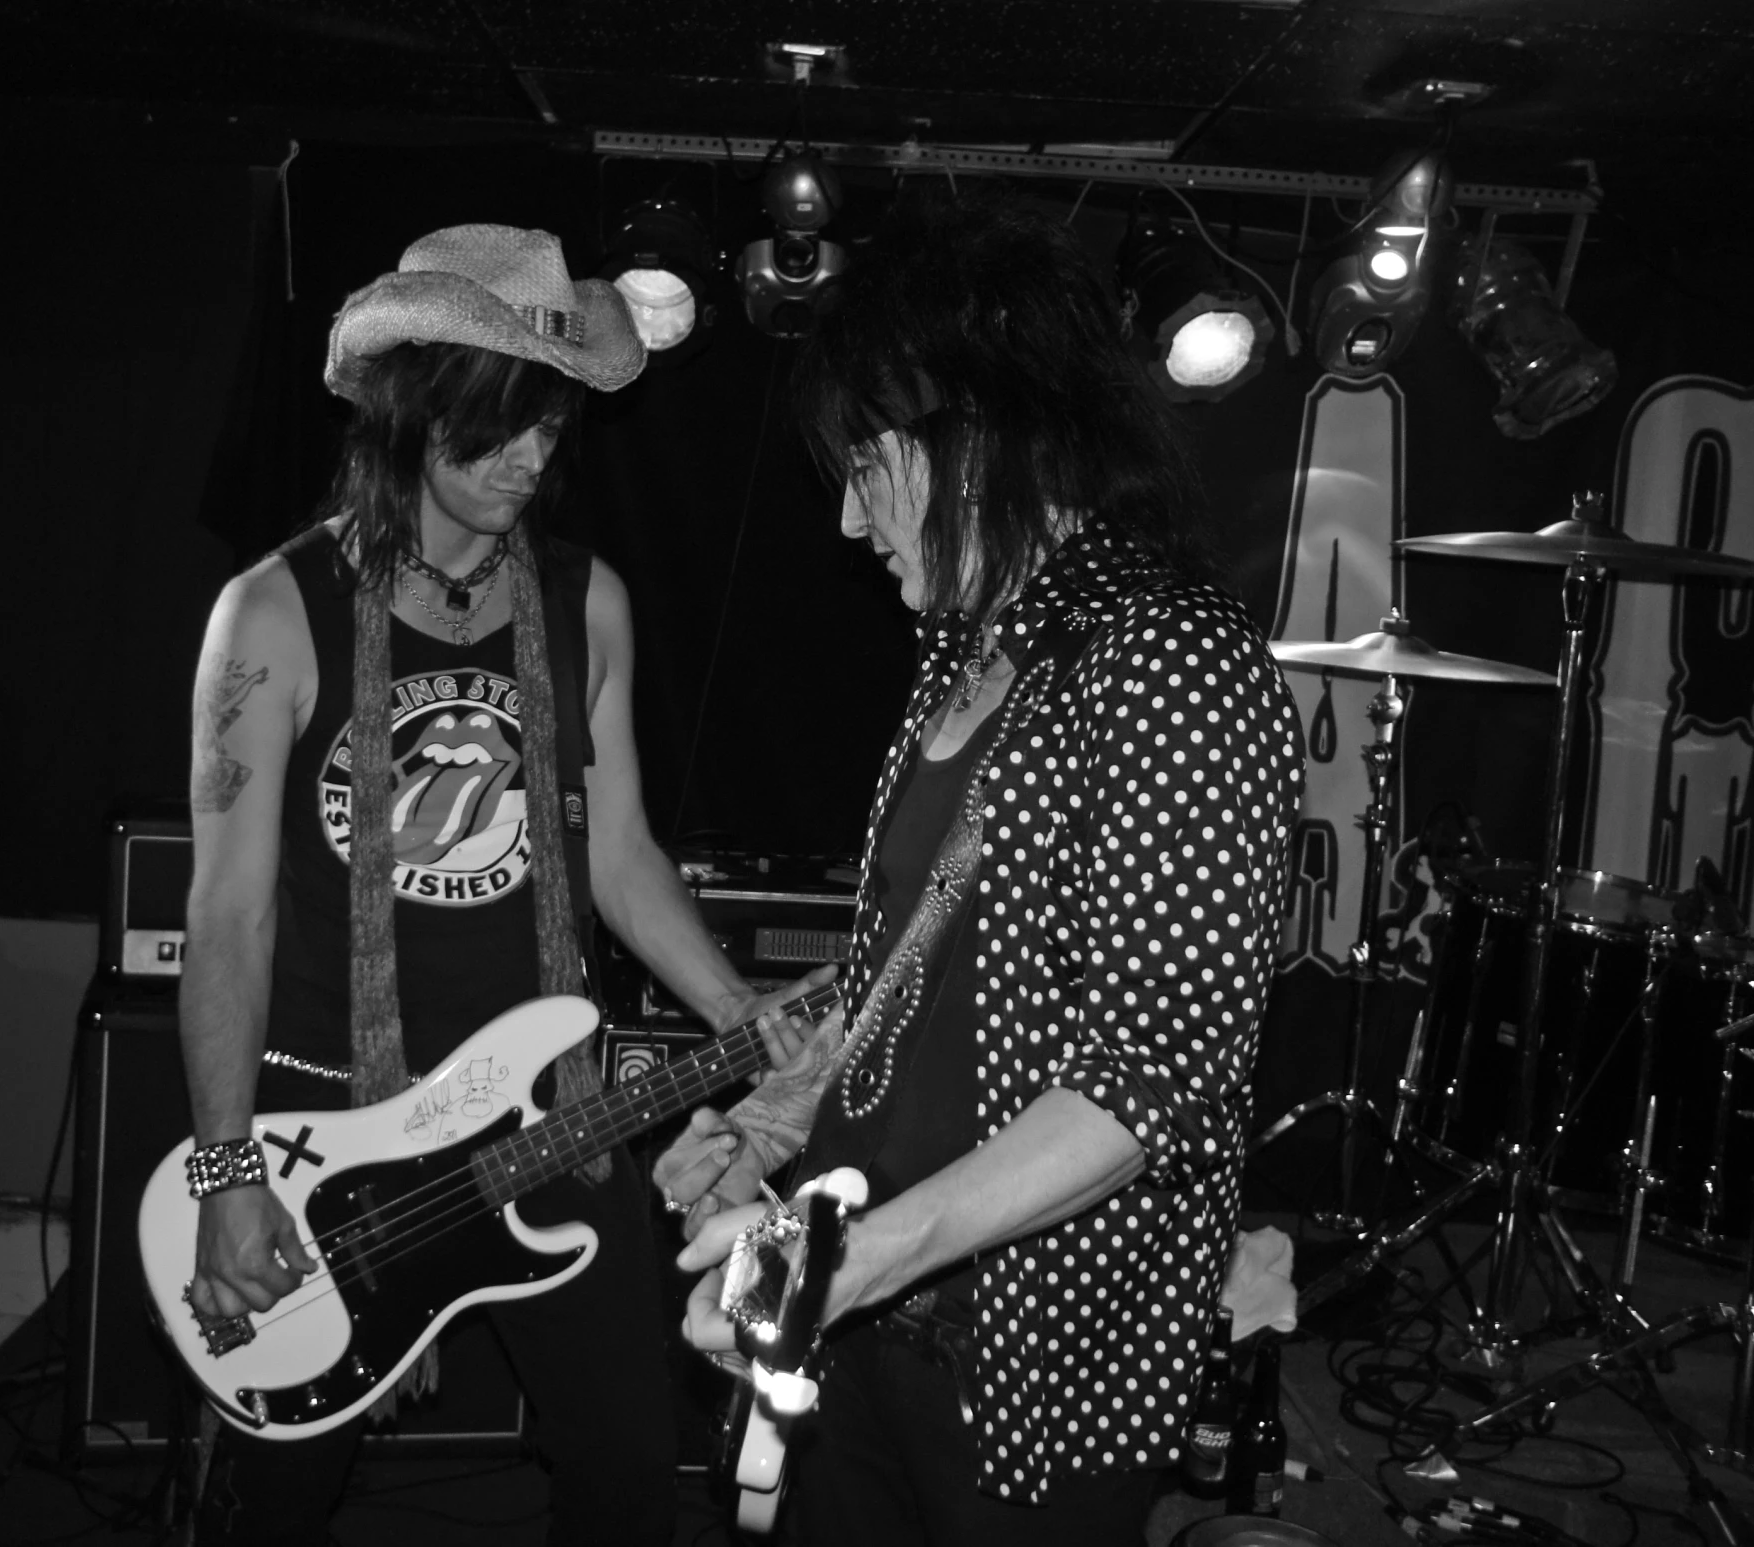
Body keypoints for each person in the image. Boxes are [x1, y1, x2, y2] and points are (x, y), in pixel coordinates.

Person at [652, 195, 1306, 1542]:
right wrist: (770, 1136)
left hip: (1030, 1362)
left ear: (980, 429)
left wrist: (835, 1260)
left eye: (865, 463)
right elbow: (907, 986)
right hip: (864, 1322)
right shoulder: (965, 658)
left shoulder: (1174, 661)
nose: (845, 519)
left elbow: (1145, 1078)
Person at [177, 224, 808, 1545]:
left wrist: (753, 1021)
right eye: (503, 425)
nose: (533, 459)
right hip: (326, 1121)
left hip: (551, 1117)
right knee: (275, 1501)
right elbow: (227, 913)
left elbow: (621, 855)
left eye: (552, 429)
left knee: (631, 1477)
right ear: (417, 407)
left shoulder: (588, 600)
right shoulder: (273, 611)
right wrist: (227, 1170)